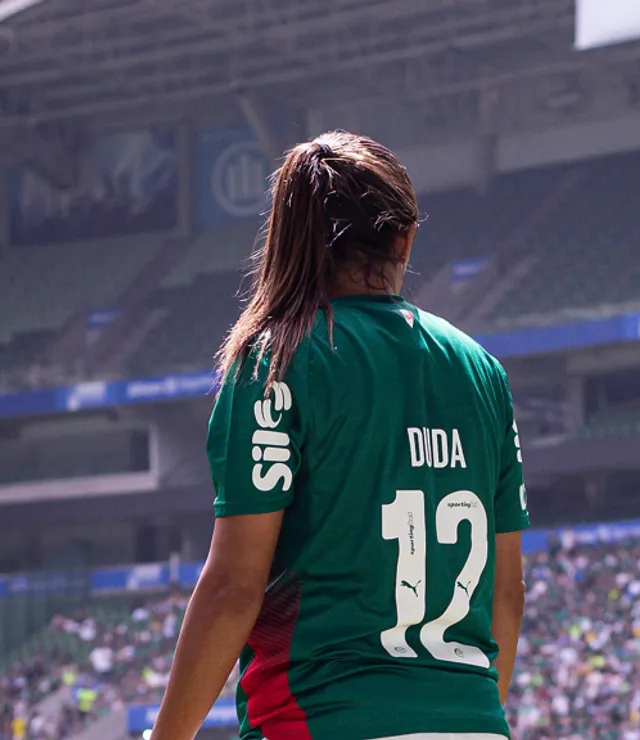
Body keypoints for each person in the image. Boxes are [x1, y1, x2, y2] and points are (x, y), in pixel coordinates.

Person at [150, 131, 530, 740]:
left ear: (288, 241)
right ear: (405, 239)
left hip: (323, 718)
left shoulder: (278, 360)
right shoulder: (485, 371)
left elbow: (234, 588)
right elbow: (507, 593)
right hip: (475, 720)